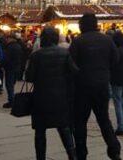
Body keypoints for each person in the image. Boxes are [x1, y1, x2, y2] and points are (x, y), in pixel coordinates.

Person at [69, 13, 121, 160]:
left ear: (82, 25)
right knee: (104, 119)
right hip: (102, 85)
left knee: (79, 122)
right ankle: (114, 150)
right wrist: (104, 70)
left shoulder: (78, 41)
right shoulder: (107, 40)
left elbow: (71, 64)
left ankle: (81, 153)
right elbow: (116, 59)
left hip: (82, 88)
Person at [26, 26, 78, 160]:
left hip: (41, 98)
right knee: (64, 128)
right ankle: (72, 155)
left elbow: (29, 77)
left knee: (40, 131)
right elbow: (74, 72)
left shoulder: (36, 55)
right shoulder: (65, 53)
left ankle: (40, 157)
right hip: (60, 97)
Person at [2, 33, 25, 108]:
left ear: (11, 39)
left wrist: (0, 65)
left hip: (10, 68)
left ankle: (11, 101)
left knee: (9, 85)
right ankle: (12, 99)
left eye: (7, 38)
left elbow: (6, 59)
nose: (6, 40)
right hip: (17, 67)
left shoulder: (10, 47)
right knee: (12, 84)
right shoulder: (18, 46)